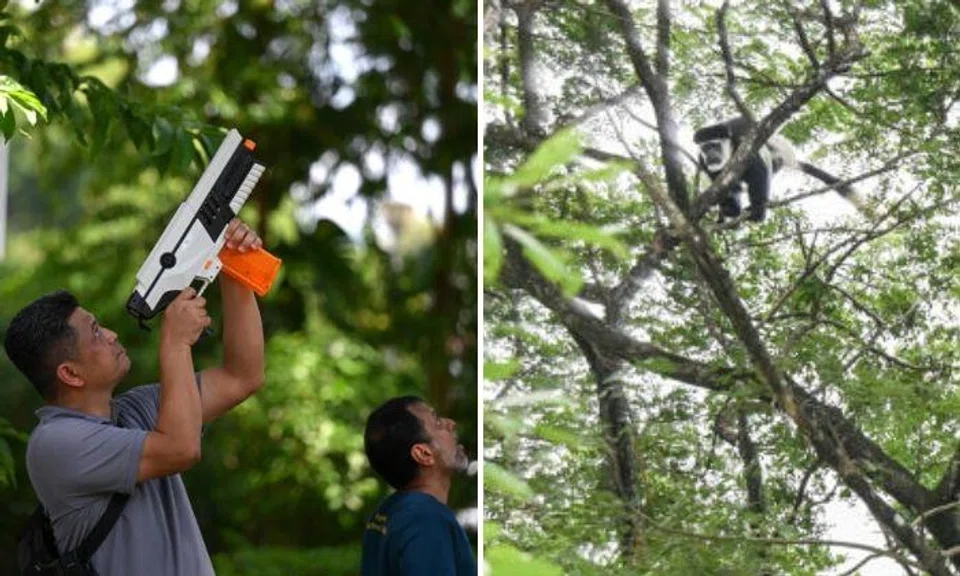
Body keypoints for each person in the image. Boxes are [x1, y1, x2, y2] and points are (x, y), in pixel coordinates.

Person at [3, 219, 266, 575]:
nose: (111, 335)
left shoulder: (135, 410)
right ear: (70, 373)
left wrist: (234, 266)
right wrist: (175, 342)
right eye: (95, 333)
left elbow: (242, 376)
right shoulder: (54, 444)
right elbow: (180, 448)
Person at [361, 395, 477, 575]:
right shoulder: (427, 519)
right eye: (437, 422)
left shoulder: (386, 512)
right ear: (423, 454)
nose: (451, 423)